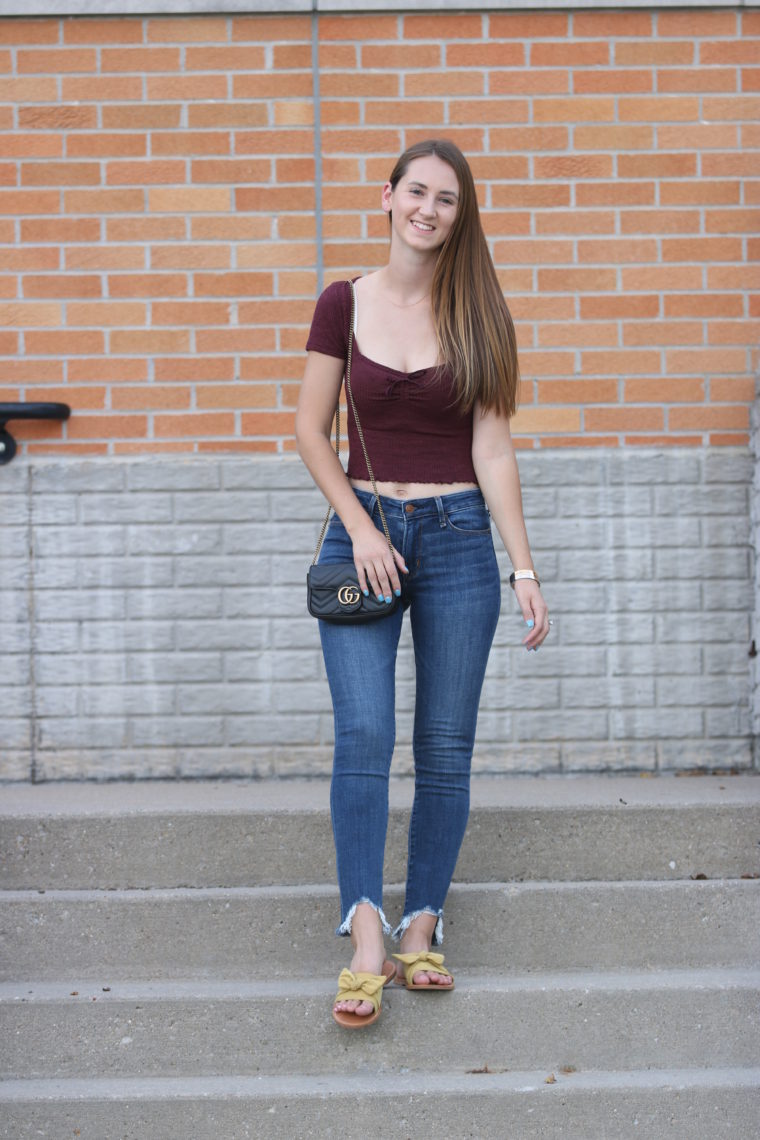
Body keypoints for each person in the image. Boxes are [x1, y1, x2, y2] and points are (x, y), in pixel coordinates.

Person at [295, 138, 550, 1029]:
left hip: (455, 537)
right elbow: (309, 428)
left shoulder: (480, 312)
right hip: (364, 533)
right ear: (388, 196)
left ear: (458, 214)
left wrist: (521, 564)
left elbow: (492, 448)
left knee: (444, 744)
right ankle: (365, 928)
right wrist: (363, 526)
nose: (429, 210)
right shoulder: (343, 302)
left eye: (446, 199)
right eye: (417, 192)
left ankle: (420, 926)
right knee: (363, 731)